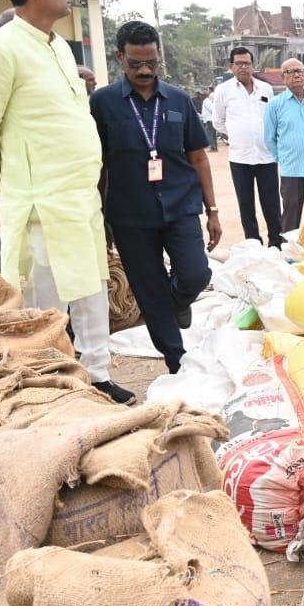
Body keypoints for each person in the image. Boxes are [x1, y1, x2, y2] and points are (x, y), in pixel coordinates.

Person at [0, 0, 133, 405]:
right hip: (39, 203)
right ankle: (51, 384)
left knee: (93, 287)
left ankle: (97, 374)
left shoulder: (58, 45)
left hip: (79, 200)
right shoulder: (1, 49)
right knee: (47, 303)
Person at [90, 21, 220, 374]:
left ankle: (177, 300)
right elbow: (97, 164)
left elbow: (198, 157)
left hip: (180, 205)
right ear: (120, 58)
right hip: (129, 214)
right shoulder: (102, 103)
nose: (145, 71)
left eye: (152, 62)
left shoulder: (178, 100)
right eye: (136, 64)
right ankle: (176, 360)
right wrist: (99, 216)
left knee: (195, 274)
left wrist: (213, 210)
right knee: (148, 289)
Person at [213, 47, 281, 248]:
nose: (244, 67)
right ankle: (253, 244)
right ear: (231, 66)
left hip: (266, 156)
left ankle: (276, 242)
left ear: (253, 65)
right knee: (246, 204)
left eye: (247, 63)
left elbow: (270, 119)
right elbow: (218, 122)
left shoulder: (265, 89)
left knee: (271, 203)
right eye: (239, 63)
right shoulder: (223, 91)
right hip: (240, 158)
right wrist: (237, 134)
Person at [266, 58, 304, 233]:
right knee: (290, 218)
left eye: (300, 71)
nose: (296, 75)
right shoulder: (275, 105)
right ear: (283, 77)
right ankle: (288, 257)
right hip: (291, 171)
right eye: (290, 72)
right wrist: (284, 159)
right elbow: (269, 139)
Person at [199, 88, 218, 152]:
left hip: (209, 120)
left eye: (202, 95)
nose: (200, 96)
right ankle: (214, 147)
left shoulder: (206, 101)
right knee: (213, 134)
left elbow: (212, 109)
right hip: (211, 119)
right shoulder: (209, 101)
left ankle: (212, 147)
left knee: (209, 134)